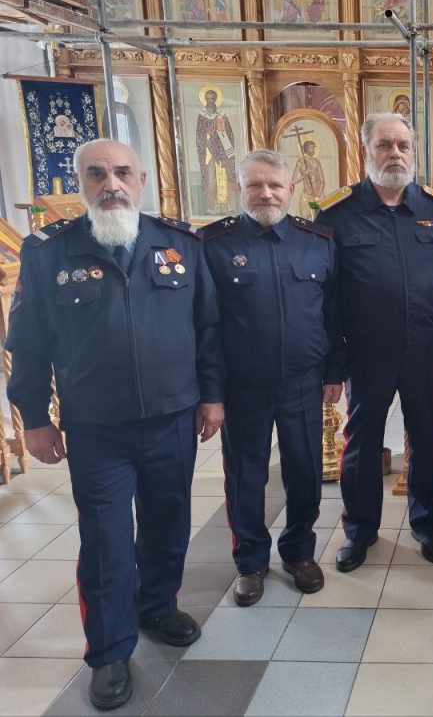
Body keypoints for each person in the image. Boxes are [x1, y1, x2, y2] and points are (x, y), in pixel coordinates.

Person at [5, 139, 224, 711]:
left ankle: (157, 606)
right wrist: (35, 420)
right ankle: (108, 651)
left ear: (142, 179)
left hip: (172, 418)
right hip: (97, 428)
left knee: (168, 523)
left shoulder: (181, 244)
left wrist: (212, 397)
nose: (111, 185)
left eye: (122, 172)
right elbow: (27, 346)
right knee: (105, 541)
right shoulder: (50, 253)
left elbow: (208, 329)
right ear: (80, 182)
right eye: (97, 174)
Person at [203, 150, 345, 606]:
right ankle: (250, 561)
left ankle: (299, 552)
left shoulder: (317, 241)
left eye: (275, 185)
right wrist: (211, 393)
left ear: (291, 190)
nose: (266, 193)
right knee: (246, 477)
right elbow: (206, 326)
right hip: (243, 385)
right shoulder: (215, 244)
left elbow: (333, 313)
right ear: (240, 188)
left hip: (303, 380)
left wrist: (335, 370)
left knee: (305, 471)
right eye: (255, 185)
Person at [315, 113, 433, 572]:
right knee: (362, 443)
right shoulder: (336, 214)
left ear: (413, 151)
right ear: (366, 151)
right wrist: (335, 363)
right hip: (367, 353)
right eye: (384, 145)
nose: (395, 153)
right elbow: (328, 298)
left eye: (402, 145)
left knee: (427, 439)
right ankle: (359, 530)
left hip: (425, 352)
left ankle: (426, 523)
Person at [196, 88, 239, 216]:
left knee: (225, 178)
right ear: (205, 99)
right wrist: (209, 132)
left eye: (212, 98)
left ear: (216, 99)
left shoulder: (222, 114)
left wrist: (221, 130)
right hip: (209, 153)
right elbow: (199, 136)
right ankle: (212, 208)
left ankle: (227, 208)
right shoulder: (202, 116)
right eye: (208, 99)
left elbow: (230, 134)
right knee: (211, 180)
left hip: (223, 152)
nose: (210, 101)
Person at [291, 139, 326, 207]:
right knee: (310, 212)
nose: (313, 150)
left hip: (319, 195)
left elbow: (322, 181)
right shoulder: (300, 162)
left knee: (319, 212)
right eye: (311, 148)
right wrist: (305, 175)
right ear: (306, 149)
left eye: (313, 148)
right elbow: (293, 181)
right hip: (307, 196)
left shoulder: (317, 162)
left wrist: (318, 195)